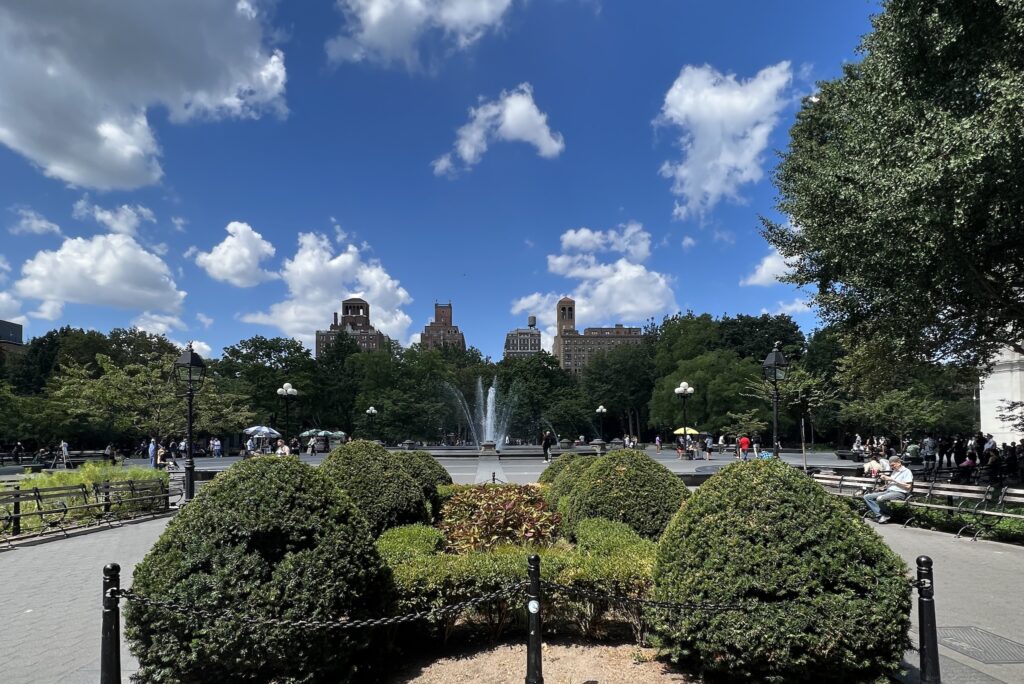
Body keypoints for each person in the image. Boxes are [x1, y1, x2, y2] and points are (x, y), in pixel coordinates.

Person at [863, 456, 914, 523]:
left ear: (899, 463)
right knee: (867, 497)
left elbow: (908, 486)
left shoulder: (907, 471)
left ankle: (887, 514)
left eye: (893, 465)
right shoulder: (895, 471)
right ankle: (881, 515)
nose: (892, 467)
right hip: (889, 491)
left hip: (900, 493)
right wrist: (884, 485)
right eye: (891, 466)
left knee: (880, 498)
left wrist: (892, 479)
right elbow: (892, 483)